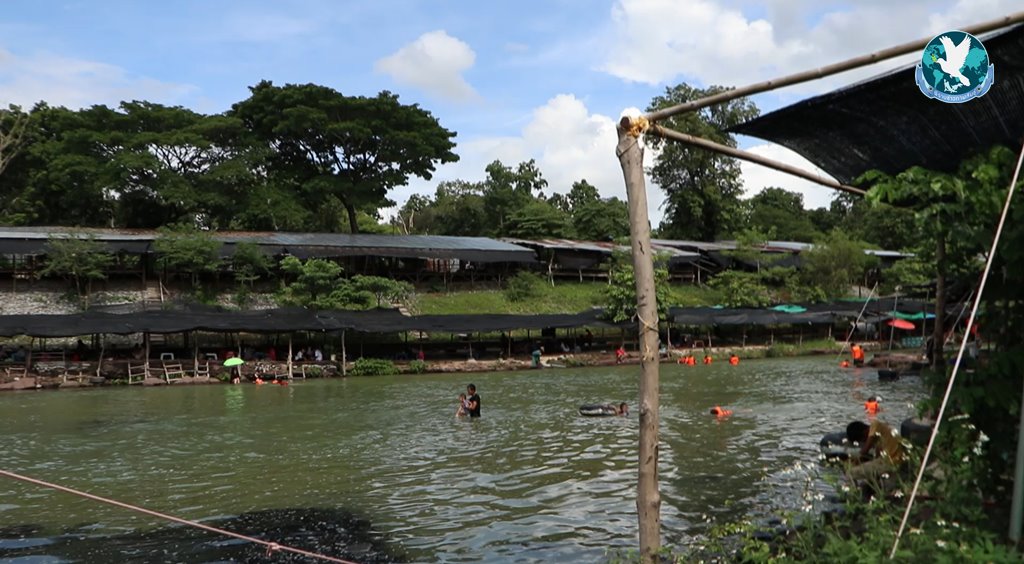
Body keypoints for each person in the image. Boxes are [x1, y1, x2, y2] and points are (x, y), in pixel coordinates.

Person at [845, 419, 906, 485]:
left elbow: (865, 450)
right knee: (868, 478)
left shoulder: (875, 425)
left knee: (850, 473)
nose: (864, 442)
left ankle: (853, 490)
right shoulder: (881, 435)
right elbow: (877, 457)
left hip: (892, 462)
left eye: (863, 440)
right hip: (892, 461)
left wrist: (854, 461)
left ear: (864, 432)